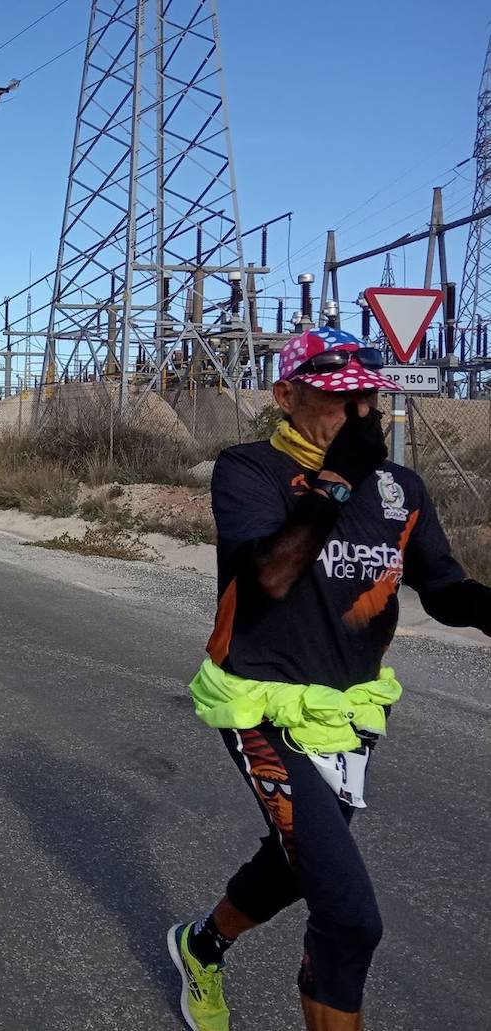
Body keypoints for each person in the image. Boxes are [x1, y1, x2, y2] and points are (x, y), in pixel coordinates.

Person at [168, 326, 491, 1031]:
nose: (360, 417)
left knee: (296, 862)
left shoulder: (401, 487)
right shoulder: (248, 469)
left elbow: (442, 585)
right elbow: (273, 576)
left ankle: (201, 944)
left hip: (347, 710)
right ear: (285, 395)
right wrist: (338, 476)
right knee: (349, 917)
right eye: (340, 400)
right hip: (259, 701)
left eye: (369, 399)